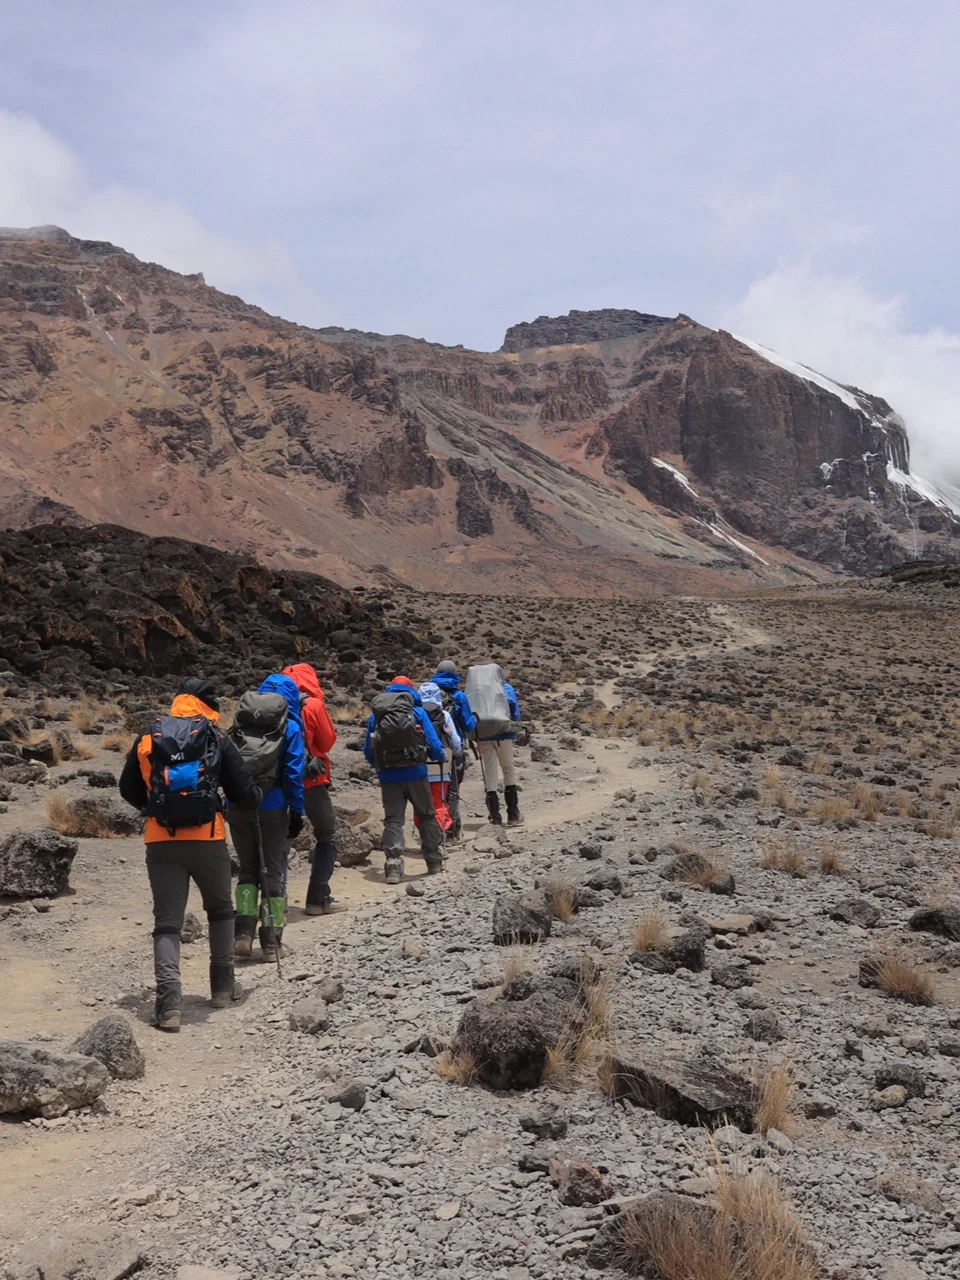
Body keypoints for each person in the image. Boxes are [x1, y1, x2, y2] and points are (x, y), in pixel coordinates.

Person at [118, 677, 260, 1032]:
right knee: (221, 911)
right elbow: (244, 792)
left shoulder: (149, 736)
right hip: (208, 838)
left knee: (167, 921)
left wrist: (155, 808)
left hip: (161, 841)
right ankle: (223, 989)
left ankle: (168, 1005)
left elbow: (127, 788)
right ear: (209, 705)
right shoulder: (216, 736)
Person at [227, 673, 305, 962]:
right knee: (272, 873)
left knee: (247, 871)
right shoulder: (291, 727)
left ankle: (242, 935)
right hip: (273, 808)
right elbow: (294, 773)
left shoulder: (239, 723)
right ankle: (271, 944)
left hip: (238, 806)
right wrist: (297, 810)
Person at [363, 676, 446, 883]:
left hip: (389, 775)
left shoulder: (378, 715)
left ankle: (393, 866)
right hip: (416, 772)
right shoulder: (417, 712)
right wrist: (439, 756)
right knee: (426, 815)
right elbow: (432, 741)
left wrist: (379, 766)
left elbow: (368, 748)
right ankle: (433, 861)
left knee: (393, 820)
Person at [282, 662, 344, 916]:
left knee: (281, 842)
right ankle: (318, 899)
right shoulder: (314, 705)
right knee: (327, 832)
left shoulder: (268, 704)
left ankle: (277, 901)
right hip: (310, 782)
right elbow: (327, 742)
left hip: (278, 784)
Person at [429, 660, 476, 839]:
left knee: (433, 789)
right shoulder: (459, 696)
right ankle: (452, 830)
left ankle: (433, 828)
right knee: (453, 789)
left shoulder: (428, 694)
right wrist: (476, 720)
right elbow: (468, 724)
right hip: (453, 750)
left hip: (429, 750)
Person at [416, 681, 463, 840]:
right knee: (439, 803)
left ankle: (426, 836)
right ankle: (440, 836)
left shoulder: (415, 713)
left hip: (419, 768)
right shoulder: (444, 715)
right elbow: (455, 741)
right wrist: (456, 754)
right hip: (442, 769)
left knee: (421, 805)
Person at [477, 672, 523, 825]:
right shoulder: (506, 688)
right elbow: (514, 711)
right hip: (504, 735)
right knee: (508, 769)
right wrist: (515, 728)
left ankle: (495, 816)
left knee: (490, 775)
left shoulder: (479, 691)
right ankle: (513, 814)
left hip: (484, 737)